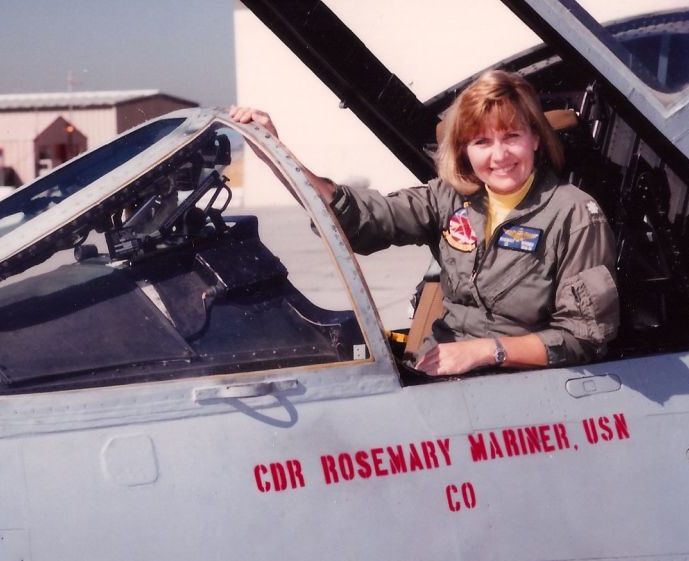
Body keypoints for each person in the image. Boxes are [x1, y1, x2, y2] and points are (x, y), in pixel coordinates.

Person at [229, 69, 620, 376]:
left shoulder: (574, 214)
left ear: (535, 139)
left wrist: (485, 352)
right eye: (482, 142)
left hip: (522, 385)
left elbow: (584, 337)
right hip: (442, 368)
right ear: (465, 150)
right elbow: (361, 219)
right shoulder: (449, 197)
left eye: (511, 137)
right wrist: (275, 152)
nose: (499, 156)